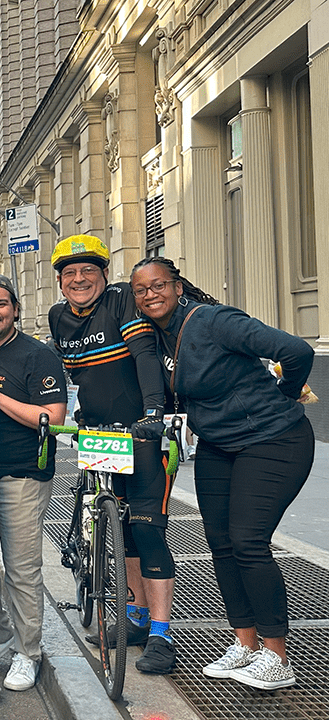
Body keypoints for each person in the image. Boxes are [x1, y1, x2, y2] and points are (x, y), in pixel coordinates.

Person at [131, 257, 315, 690]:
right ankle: (244, 644)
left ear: (178, 286)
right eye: (141, 290)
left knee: (248, 542)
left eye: (158, 285)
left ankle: (277, 656)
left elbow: (297, 351)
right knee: (222, 544)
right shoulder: (157, 337)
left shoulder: (212, 320)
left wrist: (283, 396)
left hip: (273, 440)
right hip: (219, 445)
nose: (150, 294)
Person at [47, 235, 178, 675]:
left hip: (139, 433)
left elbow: (142, 356)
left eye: (88, 271)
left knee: (148, 530)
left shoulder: (121, 299)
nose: (79, 279)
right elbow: (74, 375)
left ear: (104, 274)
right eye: (69, 274)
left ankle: (161, 633)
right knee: (117, 525)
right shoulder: (57, 317)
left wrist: (154, 413)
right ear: (61, 283)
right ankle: (136, 617)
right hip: (98, 436)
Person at [0, 273, 67, 691]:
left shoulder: (36, 356)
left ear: (15, 309)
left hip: (21, 474)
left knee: (22, 570)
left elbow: (53, 419)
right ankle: (2, 636)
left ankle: (29, 653)